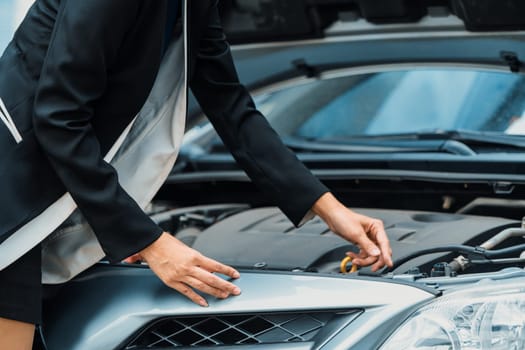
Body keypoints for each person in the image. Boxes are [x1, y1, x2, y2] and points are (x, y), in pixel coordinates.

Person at [0, 1, 393, 348]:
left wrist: (328, 208)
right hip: (12, 202)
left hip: (56, 197)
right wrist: (152, 242)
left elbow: (229, 103)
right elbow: (57, 117)